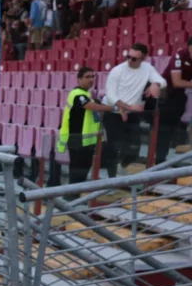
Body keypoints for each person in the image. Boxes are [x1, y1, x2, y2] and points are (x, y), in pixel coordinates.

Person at [101, 43, 166, 176]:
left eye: (134, 58)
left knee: (135, 148)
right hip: (112, 112)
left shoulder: (147, 68)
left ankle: (122, 166)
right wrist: (128, 107)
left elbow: (163, 82)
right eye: (128, 57)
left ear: (143, 58)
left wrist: (155, 84)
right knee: (114, 147)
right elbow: (111, 96)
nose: (130, 60)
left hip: (131, 113)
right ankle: (111, 179)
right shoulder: (117, 70)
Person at [57, 67, 130, 185]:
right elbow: (93, 107)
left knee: (82, 175)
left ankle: (74, 194)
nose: (91, 79)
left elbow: (98, 104)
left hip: (87, 142)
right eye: (87, 77)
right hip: (77, 140)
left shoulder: (87, 95)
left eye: (93, 77)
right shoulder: (77, 94)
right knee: (77, 175)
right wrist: (116, 108)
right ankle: (71, 194)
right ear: (79, 79)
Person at [160, 36, 192, 161]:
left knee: (181, 126)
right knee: (166, 128)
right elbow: (176, 82)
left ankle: (179, 158)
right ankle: (160, 159)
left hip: (182, 95)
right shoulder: (179, 56)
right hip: (168, 94)